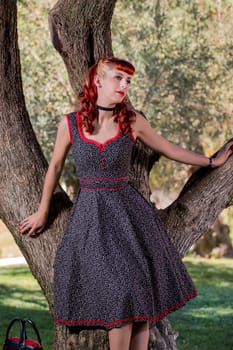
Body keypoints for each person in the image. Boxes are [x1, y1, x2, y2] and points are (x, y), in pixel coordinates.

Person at [19, 57, 233, 350]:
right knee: (119, 294)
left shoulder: (132, 121)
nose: (124, 85)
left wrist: (212, 161)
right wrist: (43, 211)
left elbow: (169, 149)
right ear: (97, 81)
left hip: (130, 217)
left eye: (128, 81)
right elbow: (55, 167)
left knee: (138, 295)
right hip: (91, 220)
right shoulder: (70, 123)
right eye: (118, 78)